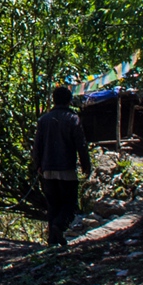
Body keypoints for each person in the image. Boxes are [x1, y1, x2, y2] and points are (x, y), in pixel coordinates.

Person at [33, 84, 92, 246]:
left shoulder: (43, 120)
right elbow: (81, 145)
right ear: (69, 100)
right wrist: (86, 165)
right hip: (66, 169)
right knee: (69, 205)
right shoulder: (73, 119)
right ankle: (59, 227)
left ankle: (52, 242)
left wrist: (38, 165)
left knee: (53, 207)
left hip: (47, 170)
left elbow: (37, 146)